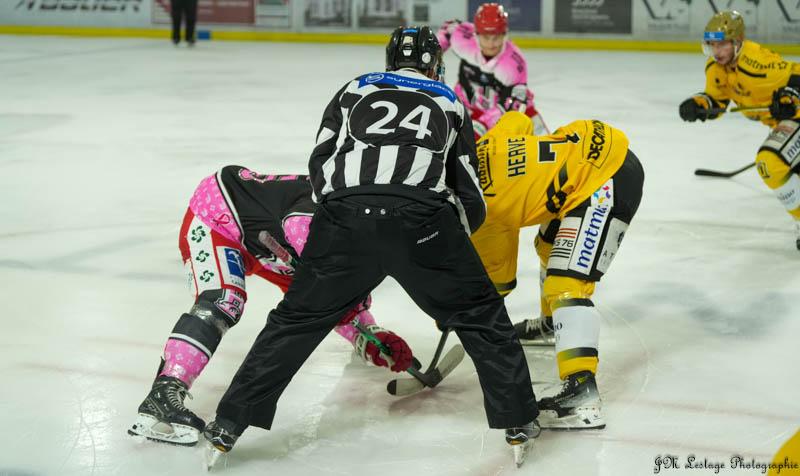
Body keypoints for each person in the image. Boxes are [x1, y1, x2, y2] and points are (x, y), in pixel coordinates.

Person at [202, 26, 540, 468]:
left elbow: (321, 162)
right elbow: (469, 192)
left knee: (295, 322)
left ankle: (229, 423)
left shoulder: (354, 88)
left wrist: (341, 216)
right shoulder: (449, 101)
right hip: (423, 222)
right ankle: (517, 422)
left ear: (388, 60)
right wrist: (450, 250)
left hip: (344, 220)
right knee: (481, 316)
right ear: (435, 65)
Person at [128, 167, 413, 446]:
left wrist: (367, 331)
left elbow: (329, 299)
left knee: (313, 292)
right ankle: (164, 393)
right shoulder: (329, 215)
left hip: (266, 240)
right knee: (224, 299)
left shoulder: (357, 218)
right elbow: (306, 240)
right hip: (218, 215)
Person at [470, 111, 644, 430]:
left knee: (565, 282)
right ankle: (555, 324)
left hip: (604, 181)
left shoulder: (482, 210)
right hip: (591, 149)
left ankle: (582, 392)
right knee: (548, 248)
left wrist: (453, 309)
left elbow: (498, 284)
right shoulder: (489, 143)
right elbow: (516, 118)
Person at [679, 10, 800, 250]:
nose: (717, 51)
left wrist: (791, 95)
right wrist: (699, 104)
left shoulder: (756, 63)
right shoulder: (716, 68)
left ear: (737, 42)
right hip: (785, 125)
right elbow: (718, 100)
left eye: (722, 44)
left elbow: (796, 73)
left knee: (769, 163)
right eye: (712, 45)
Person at [437, 2, 548, 139]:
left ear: (505, 34)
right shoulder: (461, 36)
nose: (491, 44)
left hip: (511, 111)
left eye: (496, 37)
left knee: (542, 143)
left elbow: (511, 104)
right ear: (476, 34)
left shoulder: (514, 64)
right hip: (468, 106)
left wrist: (480, 127)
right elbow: (443, 36)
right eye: (486, 37)